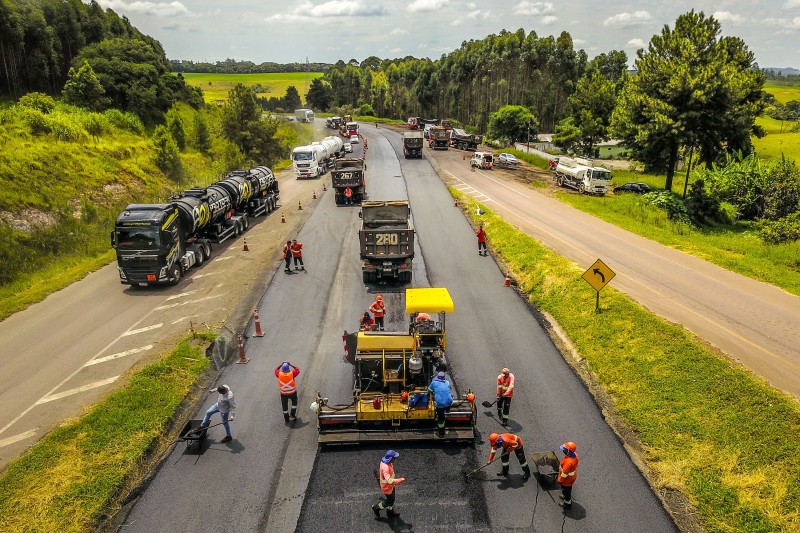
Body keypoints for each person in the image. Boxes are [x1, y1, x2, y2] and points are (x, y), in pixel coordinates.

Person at [372, 450, 405, 518]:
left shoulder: (387, 462)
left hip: (391, 486)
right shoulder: (386, 467)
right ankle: (376, 508)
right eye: (394, 457)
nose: (395, 459)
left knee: (392, 500)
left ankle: (390, 513)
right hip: (387, 487)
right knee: (389, 501)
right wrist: (399, 480)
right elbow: (389, 480)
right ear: (390, 458)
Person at [427, 371, 453, 435]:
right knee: (449, 397)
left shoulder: (434, 383)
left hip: (440, 404)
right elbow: (449, 389)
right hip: (449, 402)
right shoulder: (447, 382)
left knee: (441, 418)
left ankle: (441, 432)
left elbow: (429, 391)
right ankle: (447, 409)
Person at [557, 441, 579, 508]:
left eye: (564, 449)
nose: (563, 450)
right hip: (571, 477)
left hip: (567, 479)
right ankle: (565, 495)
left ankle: (567, 503)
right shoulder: (575, 455)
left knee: (566, 490)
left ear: (568, 451)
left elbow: (564, 474)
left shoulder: (568, 463)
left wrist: (560, 480)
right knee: (568, 489)